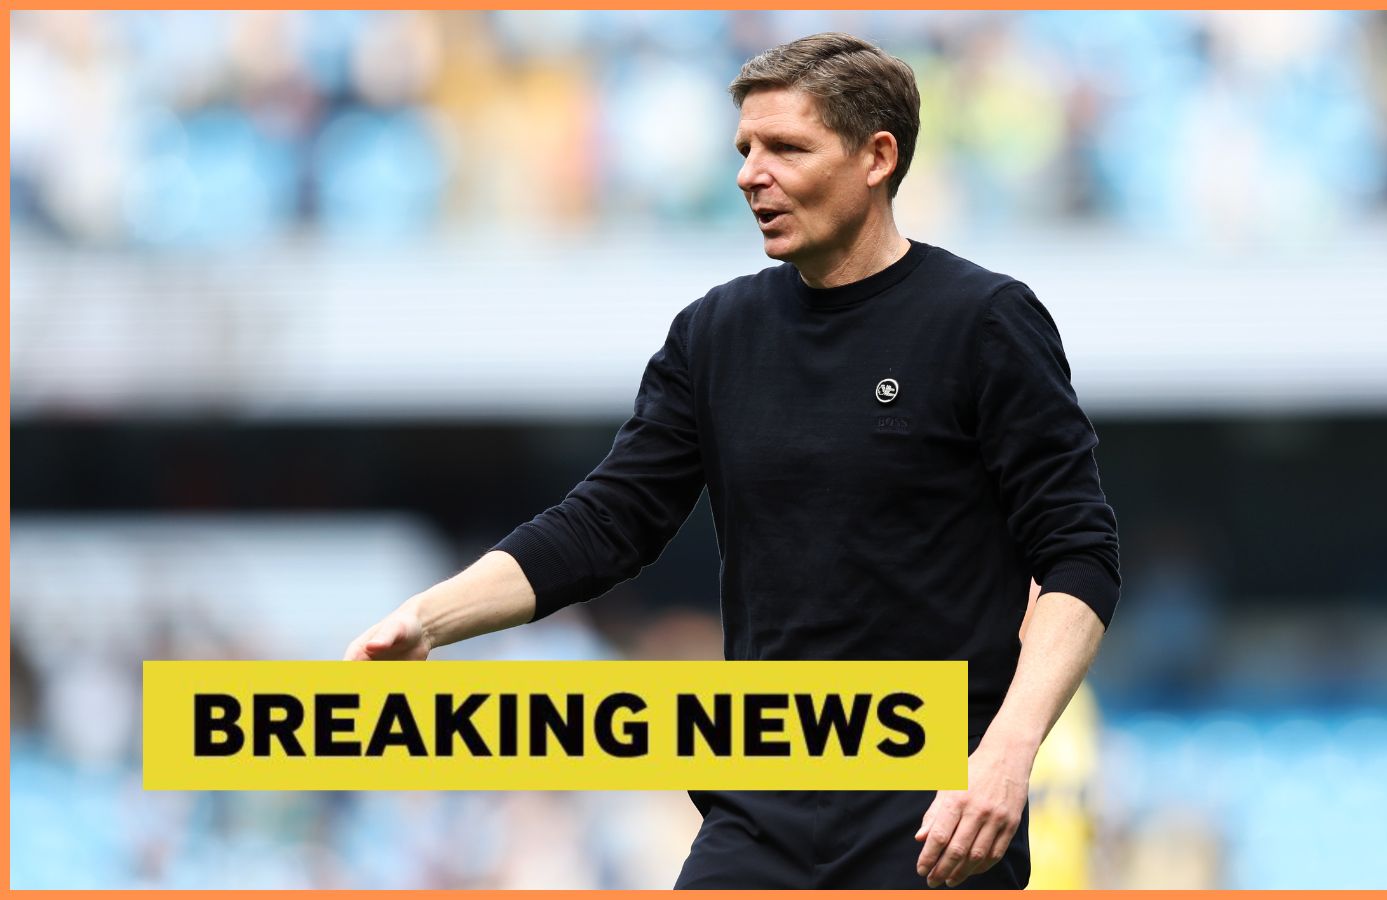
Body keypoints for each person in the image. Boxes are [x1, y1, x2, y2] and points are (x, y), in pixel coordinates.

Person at [345, 32, 1120, 890]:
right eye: (745, 149)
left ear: (877, 157)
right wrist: (428, 620)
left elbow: (1079, 555)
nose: (752, 174)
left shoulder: (982, 320)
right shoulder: (715, 333)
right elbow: (606, 523)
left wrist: (1006, 753)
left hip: (936, 807)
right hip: (758, 801)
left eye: (786, 147)